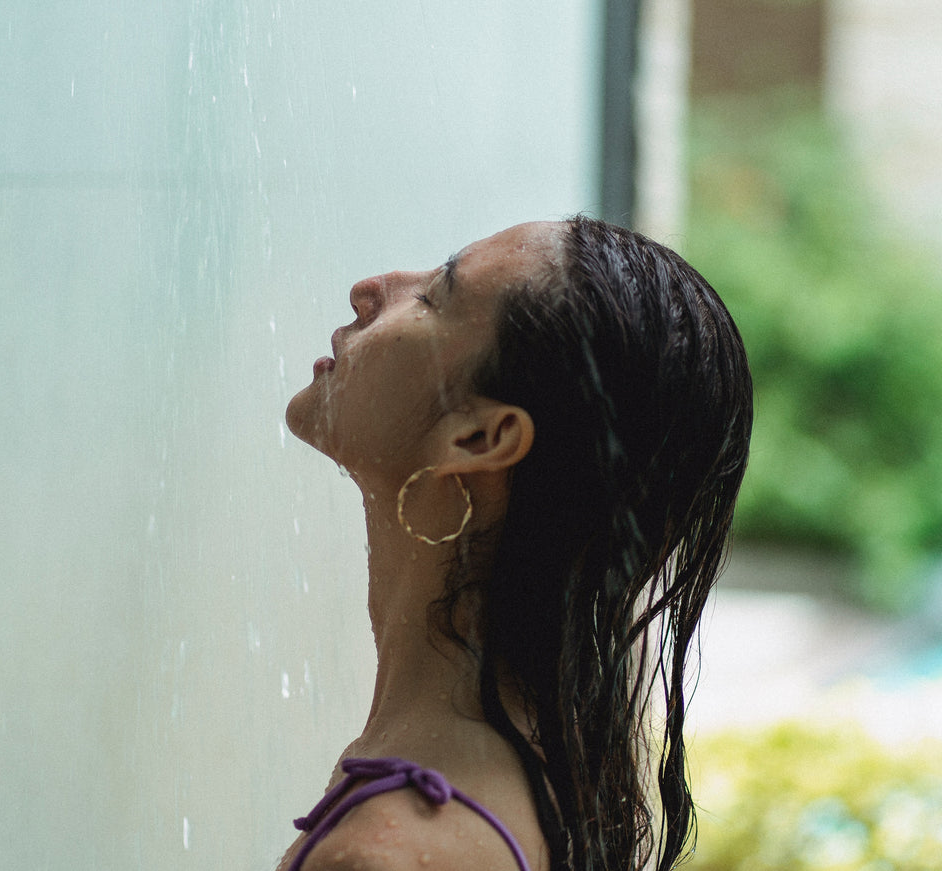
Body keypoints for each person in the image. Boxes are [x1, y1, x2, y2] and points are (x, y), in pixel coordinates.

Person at [277, 217, 753, 871]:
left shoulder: (388, 851)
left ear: (480, 438)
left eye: (436, 295)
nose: (372, 288)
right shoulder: (542, 771)